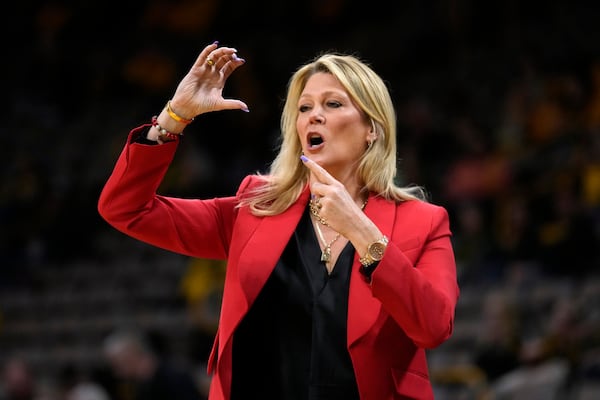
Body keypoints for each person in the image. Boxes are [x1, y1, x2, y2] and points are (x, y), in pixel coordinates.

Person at [98, 41, 460, 400]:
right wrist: (174, 116)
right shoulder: (256, 207)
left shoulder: (424, 222)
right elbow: (126, 209)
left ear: (373, 129)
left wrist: (364, 233)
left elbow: (433, 328)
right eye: (304, 107)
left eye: (332, 104)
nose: (313, 115)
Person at [102, 327, 204, 400]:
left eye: (116, 365)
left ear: (129, 357)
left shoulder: (174, 377)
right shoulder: (140, 385)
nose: (115, 372)